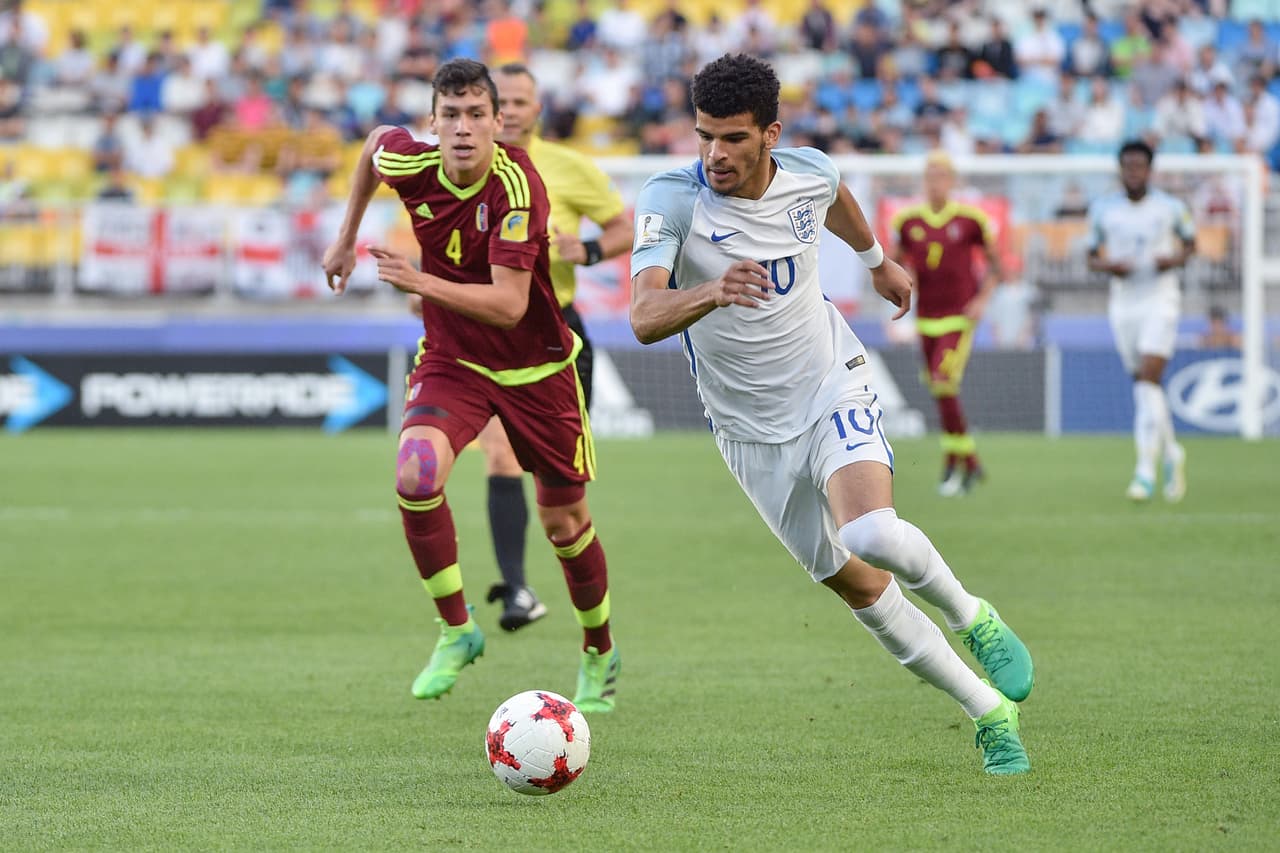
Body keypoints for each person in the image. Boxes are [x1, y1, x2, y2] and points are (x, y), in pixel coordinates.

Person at [628, 53, 1033, 775]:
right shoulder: (673, 197)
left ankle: (974, 615)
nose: (715, 155)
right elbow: (644, 314)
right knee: (859, 585)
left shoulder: (809, 171)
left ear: (770, 134)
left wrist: (876, 259)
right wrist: (712, 290)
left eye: (733, 139)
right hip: (748, 431)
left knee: (871, 529)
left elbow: (837, 195)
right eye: (704, 136)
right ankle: (986, 710)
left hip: (829, 384)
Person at [321, 59, 620, 712]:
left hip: (538, 368)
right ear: (433, 121)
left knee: (565, 521)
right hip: (454, 359)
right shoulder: (412, 162)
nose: (463, 128)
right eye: (450, 115)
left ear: (496, 123)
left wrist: (419, 281)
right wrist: (345, 240)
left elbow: (512, 304)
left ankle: (599, 646)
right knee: (415, 474)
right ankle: (457, 629)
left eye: (476, 114)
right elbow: (374, 149)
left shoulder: (519, 187)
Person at [464, 62, 632, 631]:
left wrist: (583, 250)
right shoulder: (464, 166)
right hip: (486, 331)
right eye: (500, 100)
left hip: (555, 331)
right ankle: (516, 589)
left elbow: (623, 228)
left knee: (558, 495)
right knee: (500, 453)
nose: (509, 110)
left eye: (519, 101)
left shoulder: (567, 168)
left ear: (537, 110)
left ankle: (586, 601)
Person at [1086, 140, 1195, 503]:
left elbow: (1191, 245)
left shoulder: (1170, 207)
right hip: (1123, 304)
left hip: (1160, 299)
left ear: (1150, 170)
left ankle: (1144, 471)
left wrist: (1173, 260)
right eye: (1128, 166)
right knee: (1144, 387)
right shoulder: (1103, 209)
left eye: (1140, 166)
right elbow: (1091, 256)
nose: (1134, 172)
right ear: (1121, 169)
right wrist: (1109, 266)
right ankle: (1173, 452)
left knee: (1149, 380)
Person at [892, 151, 1003, 496]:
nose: (935, 182)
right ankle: (967, 461)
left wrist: (982, 300)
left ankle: (954, 464)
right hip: (926, 319)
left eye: (942, 176)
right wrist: (902, 288)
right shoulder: (908, 223)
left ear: (952, 181)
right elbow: (894, 265)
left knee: (942, 382)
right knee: (942, 390)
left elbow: (998, 267)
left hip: (957, 317)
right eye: (930, 175)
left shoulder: (970, 220)